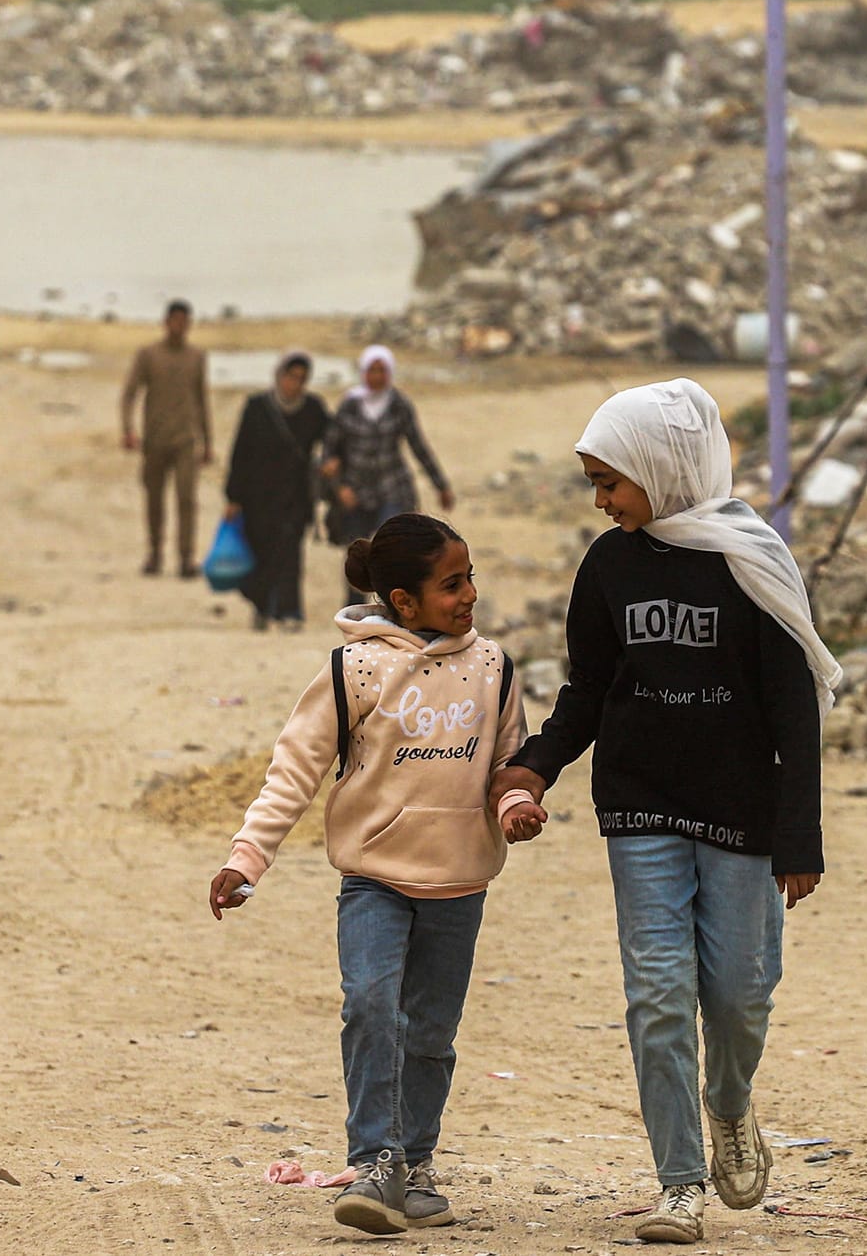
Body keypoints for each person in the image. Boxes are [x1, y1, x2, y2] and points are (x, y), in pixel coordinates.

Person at [489, 379, 838, 1245]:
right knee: (657, 997)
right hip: (640, 807)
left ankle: (730, 1103)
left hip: (743, 815)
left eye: (610, 482)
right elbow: (589, 691)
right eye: (594, 484)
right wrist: (535, 767)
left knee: (741, 995)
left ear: (661, 465)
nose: (601, 501)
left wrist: (800, 835)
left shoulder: (752, 561)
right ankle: (679, 1183)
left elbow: (793, 711)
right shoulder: (608, 567)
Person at [209, 515, 541, 1236]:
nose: (469, 595)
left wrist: (515, 803)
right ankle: (375, 1162)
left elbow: (509, 762)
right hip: (374, 879)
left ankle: (415, 1164)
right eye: (451, 584)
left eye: (470, 578)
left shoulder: (494, 668)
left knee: (432, 1033)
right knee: (369, 1007)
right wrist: (247, 856)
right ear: (403, 600)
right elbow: (294, 770)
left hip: (459, 884)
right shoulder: (354, 669)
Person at [323, 346, 453, 605]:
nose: (377, 376)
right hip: (355, 491)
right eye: (372, 370)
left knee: (391, 550)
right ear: (363, 372)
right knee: (356, 553)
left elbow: (418, 446)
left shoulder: (399, 405)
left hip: (392, 488)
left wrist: (441, 485)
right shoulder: (350, 406)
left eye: (382, 370)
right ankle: (354, 608)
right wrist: (340, 488)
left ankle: (391, 606)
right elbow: (329, 451)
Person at [220, 351, 330, 630]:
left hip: (295, 495)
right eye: (291, 376)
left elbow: (333, 439)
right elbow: (240, 453)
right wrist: (233, 497)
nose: (295, 383)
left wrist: (330, 464)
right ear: (279, 376)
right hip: (257, 496)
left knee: (291, 554)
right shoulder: (257, 407)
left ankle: (290, 611)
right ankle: (262, 608)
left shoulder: (313, 409)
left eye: (301, 378)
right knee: (262, 552)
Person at [121, 300, 212, 577]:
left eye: (184, 322)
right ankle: (154, 554)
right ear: (166, 322)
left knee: (187, 500)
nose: (179, 326)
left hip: (186, 441)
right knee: (154, 500)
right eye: (175, 321)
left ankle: (186, 558)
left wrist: (208, 442)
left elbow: (202, 400)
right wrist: (128, 429)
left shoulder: (196, 357)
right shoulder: (148, 355)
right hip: (155, 440)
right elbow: (130, 393)